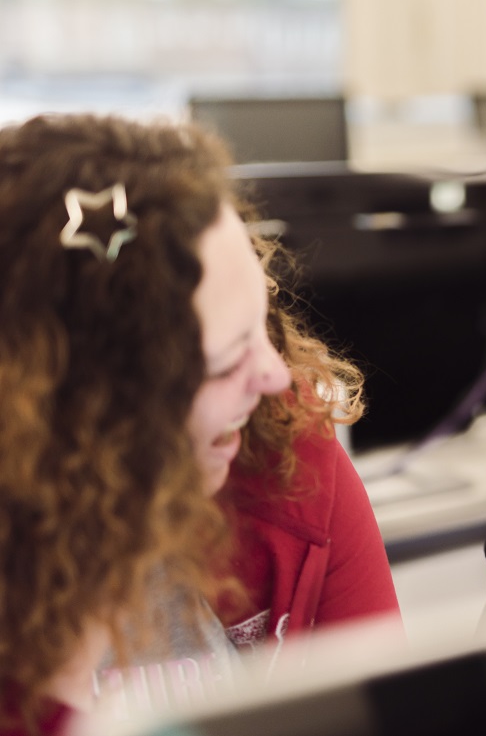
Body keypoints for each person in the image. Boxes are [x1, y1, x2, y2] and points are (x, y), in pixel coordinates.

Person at [0, 113, 400, 735]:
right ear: (81, 409)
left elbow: (384, 708)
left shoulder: (284, 447)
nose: (274, 374)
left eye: (261, 327)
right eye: (225, 360)